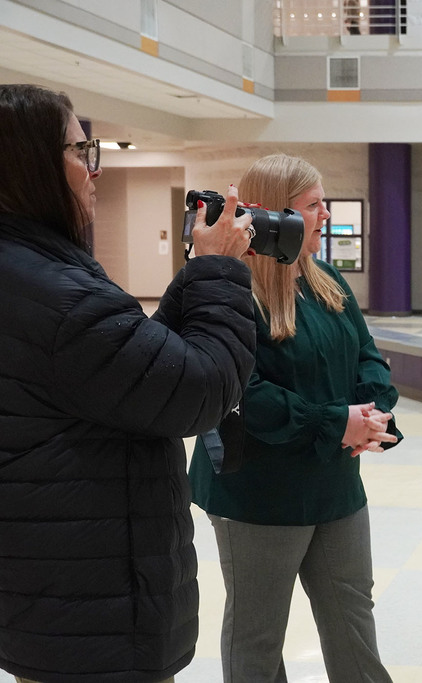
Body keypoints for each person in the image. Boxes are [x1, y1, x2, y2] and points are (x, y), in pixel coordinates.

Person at [0, 84, 257, 682]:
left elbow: (130, 373)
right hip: (95, 608)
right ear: (34, 164)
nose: (96, 168)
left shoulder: (31, 274)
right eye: (80, 150)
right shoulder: (58, 297)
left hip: (48, 590)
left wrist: (195, 275)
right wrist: (219, 270)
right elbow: (199, 390)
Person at [189, 153, 403, 683]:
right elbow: (245, 394)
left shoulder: (326, 280)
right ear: (275, 217)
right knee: (258, 636)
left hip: (334, 487)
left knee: (352, 617)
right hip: (258, 491)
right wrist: (337, 423)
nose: (325, 215)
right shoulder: (232, 289)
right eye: (313, 205)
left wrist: (374, 414)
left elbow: (368, 356)